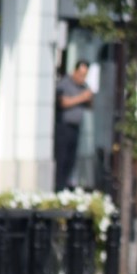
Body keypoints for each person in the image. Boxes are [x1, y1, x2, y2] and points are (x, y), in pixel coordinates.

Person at [55, 60, 94, 190]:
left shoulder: (84, 86)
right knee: (62, 158)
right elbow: (63, 103)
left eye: (85, 75)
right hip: (63, 127)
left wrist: (89, 98)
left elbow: (90, 106)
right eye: (81, 74)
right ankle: (58, 188)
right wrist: (82, 97)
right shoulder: (65, 83)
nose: (82, 78)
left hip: (75, 128)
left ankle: (65, 186)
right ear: (75, 71)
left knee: (71, 161)